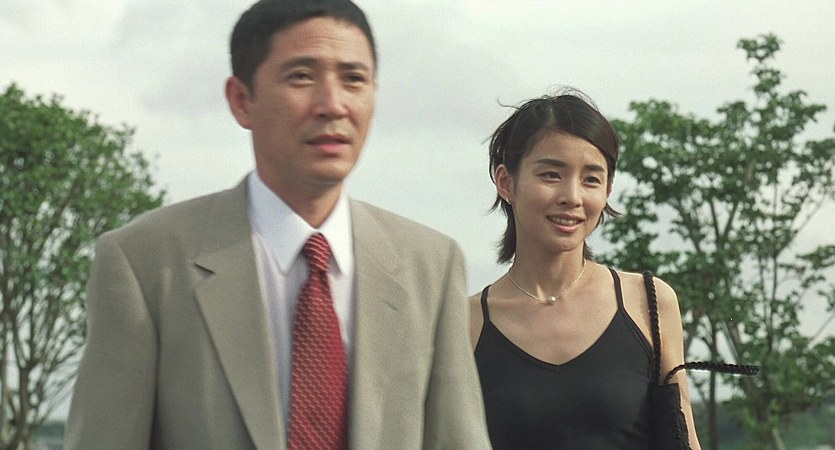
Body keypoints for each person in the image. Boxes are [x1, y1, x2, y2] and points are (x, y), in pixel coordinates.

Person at [65, 1, 490, 448]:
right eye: (301, 77)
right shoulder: (147, 262)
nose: (333, 105)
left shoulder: (429, 265)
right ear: (241, 100)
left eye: (353, 79)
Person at [470, 92, 702, 449]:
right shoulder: (465, 323)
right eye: (551, 175)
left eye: (591, 179)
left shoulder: (650, 303)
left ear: (607, 190)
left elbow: (683, 439)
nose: (572, 196)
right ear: (506, 182)